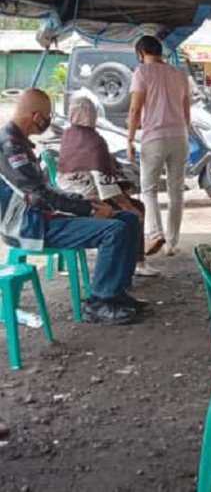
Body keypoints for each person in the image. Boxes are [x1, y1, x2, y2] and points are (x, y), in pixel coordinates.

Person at [0, 89, 141, 324]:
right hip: (29, 226)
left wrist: (83, 201)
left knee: (128, 219)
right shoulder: (10, 147)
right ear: (36, 116)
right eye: (47, 116)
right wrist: (90, 211)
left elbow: (45, 190)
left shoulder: (19, 142)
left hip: (42, 216)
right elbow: (40, 196)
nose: (48, 122)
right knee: (113, 230)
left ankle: (116, 293)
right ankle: (100, 302)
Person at [57, 95, 160, 277]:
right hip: (88, 199)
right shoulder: (94, 141)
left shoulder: (68, 135)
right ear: (92, 114)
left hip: (67, 196)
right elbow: (104, 181)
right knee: (135, 211)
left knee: (130, 207)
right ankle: (138, 262)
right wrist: (125, 204)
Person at [127, 35, 190, 257]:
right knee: (176, 191)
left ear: (140, 54)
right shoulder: (179, 74)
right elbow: (186, 111)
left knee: (149, 190)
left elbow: (135, 110)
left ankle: (155, 234)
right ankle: (172, 243)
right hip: (180, 136)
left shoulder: (141, 72)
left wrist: (129, 140)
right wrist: (185, 133)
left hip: (154, 137)